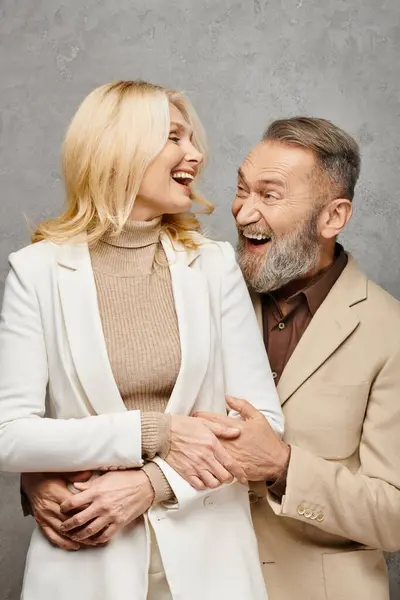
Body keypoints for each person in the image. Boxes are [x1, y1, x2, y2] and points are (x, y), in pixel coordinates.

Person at [0, 80, 284, 600]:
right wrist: (152, 432)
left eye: (193, 139)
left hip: (212, 563)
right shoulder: (36, 271)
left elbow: (259, 424)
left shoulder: (214, 264)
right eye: (174, 137)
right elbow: (9, 435)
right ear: (118, 149)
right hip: (83, 561)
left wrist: (149, 484)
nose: (195, 154)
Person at [195, 117, 400, 600]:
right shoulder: (195, 292)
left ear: (333, 217)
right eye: (242, 190)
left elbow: (394, 515)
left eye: (269, 195)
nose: (243, 213)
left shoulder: (390, 331)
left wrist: (282, 466)